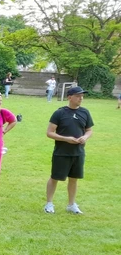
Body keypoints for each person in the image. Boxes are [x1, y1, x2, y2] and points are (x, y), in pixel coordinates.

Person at [44, 86, 93, 215]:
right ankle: (49, 203)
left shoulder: (85, 112)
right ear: (69, 97)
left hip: (78, 152)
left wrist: (85, 137)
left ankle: (71, 204)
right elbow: (49, 133)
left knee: (74, 178)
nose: (81, 98)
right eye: (78, 96)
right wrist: (66, 139)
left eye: (82, 96)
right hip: (62, 152)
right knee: (55, 177)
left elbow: (89, 130)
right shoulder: (59, 113)